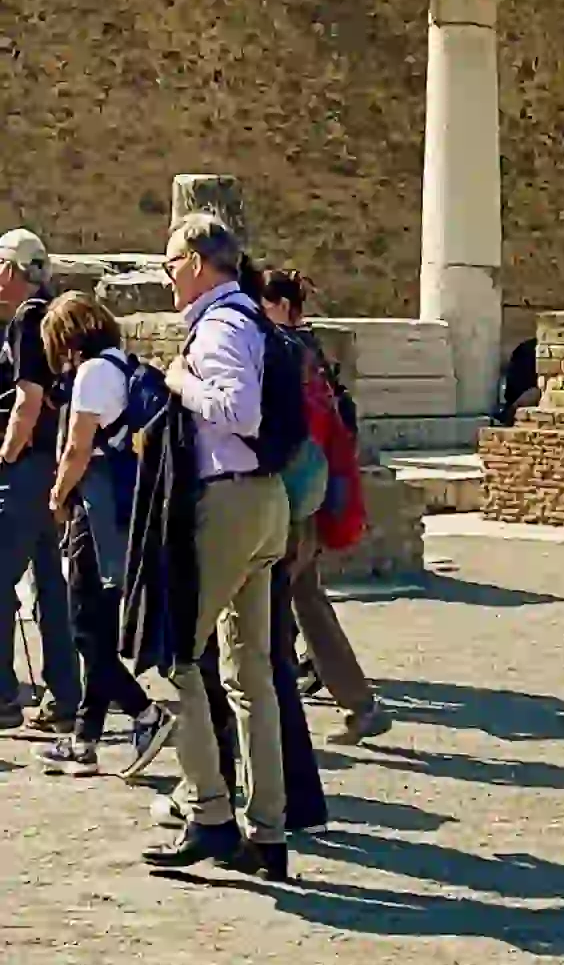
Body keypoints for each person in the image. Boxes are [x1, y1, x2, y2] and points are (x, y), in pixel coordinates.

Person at [147, 216, 298, 877]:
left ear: (201, 262)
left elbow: (239, 412)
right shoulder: (251, 321)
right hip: (265, 501)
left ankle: (209, 812)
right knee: (250, 674)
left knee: (178, 656)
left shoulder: (222, 326)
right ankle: (267, 833)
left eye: (171, 261)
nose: (167, 274)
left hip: (233, 502)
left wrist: (179, 383)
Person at [33, 292, 158, 776]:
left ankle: (146, 713)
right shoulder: (122, 365)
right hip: (122, 510)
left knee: (85, 630)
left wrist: (56, 497)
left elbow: (77, 449)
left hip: (94, 512)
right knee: (98, 629)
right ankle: (85, 741)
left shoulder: (90, 375)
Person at [255, 269, 379, 737]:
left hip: (293, 496)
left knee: (275, 605)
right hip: (306, 493)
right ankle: (359, 704)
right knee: (305, 600)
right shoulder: (308, 351)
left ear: (284, 306)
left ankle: (280, 716)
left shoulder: (290, 352)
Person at [0, 232, 62, 745]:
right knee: (51, 588)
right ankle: (65, 695)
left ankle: (2, 697)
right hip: (49, 465)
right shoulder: (54, 314)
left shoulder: (26, 319)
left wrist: (5, 454)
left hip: (24, 466)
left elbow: (28, 401)